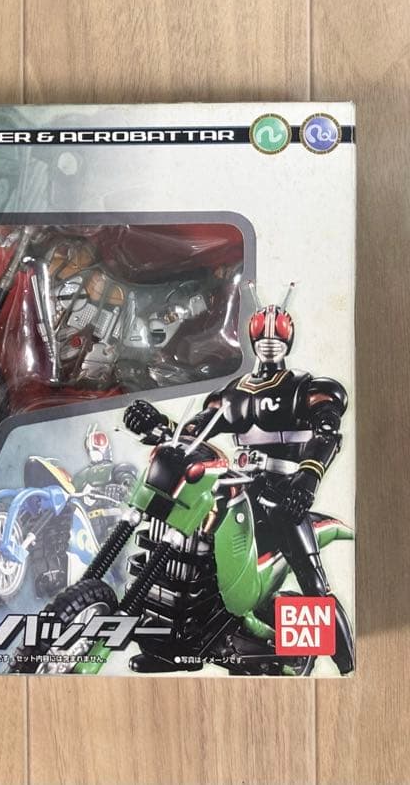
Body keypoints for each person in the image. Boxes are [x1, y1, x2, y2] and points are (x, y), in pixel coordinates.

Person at [123, 284, 354, 673]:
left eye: (277, 334)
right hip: (239, 488)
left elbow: (327, 433)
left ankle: (348, 669)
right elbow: (194, 433)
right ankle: (176, 642)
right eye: (262, 334)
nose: (269, 340)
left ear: (288, 338)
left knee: (314, 587)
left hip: (286, 496)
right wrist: (157, 426)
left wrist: (307, 479)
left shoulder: (305, 388)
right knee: (192, 550)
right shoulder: (233, 394)